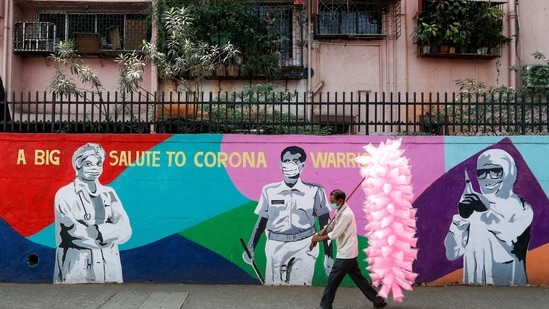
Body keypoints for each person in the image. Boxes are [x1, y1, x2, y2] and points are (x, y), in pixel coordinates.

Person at [244, 145, 332, 285]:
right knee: (274, 287)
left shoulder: (315, 191)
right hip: (275, 245)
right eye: (287, 160)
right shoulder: (269, 191)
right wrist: (251, 248)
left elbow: (325, 224)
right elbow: (262, 221)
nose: (290, 164)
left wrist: (329, 255)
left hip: (305, 245)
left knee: (301, 287)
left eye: (295, 161)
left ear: (302, 166)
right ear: (280, 164)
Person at [444, 148, 533, 285]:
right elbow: (452, 253)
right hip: (474, 288)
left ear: (508, 173)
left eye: (495, 172)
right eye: (482, 173)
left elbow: (512, 241)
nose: (487, 178)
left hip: (511, 290)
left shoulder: (521, 207)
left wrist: (486, 213)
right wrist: (462, 219)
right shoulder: (475, 204)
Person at [54, 143, 132, 283]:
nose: (95, 168)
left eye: (98, 164)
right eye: (89, 164)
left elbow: (125, 229)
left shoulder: (109, 193)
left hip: (110, 268)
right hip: (77, 268)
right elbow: (74, 232)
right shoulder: (65, 194)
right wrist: (110, 234)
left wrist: (99, 232)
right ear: (78, 165)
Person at [312, 189, 387, 309]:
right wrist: (320, 233)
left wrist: (318, 239)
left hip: (346, 254)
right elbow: (331, 226)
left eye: (332, 201)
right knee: (359, 279)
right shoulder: (339, 211)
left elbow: (335, 234)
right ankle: (378, 300)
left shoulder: (346, 214)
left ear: (340, 201)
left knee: (333, 280)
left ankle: (325, 304)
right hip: (348, 252)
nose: (330, 203)